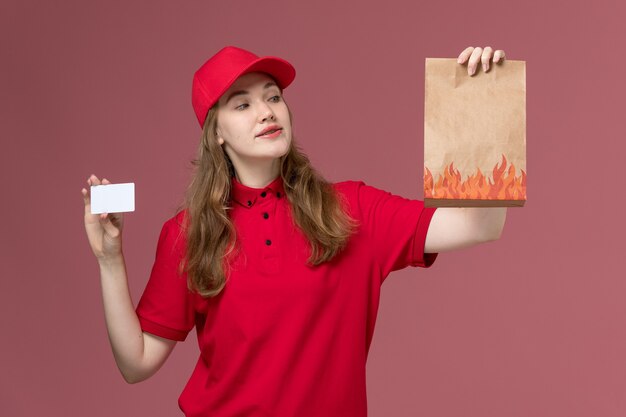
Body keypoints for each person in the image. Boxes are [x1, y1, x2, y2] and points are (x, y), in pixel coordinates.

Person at [82, 45, 507, 417]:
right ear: (216, 132)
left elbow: (480, 224)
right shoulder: (187, 234)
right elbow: (136, 364)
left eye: (273, 97)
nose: (267, 110)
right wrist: (109, 259)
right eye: (242, 104)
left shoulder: (350, 209)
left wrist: (480, 110)